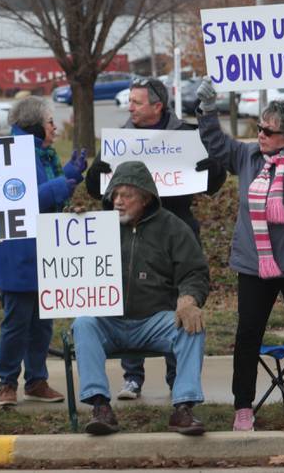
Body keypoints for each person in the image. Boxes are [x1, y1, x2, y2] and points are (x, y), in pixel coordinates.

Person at [195, 71, 284, 431]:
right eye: (259, 127)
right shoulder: (247, 157)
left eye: (268, 131)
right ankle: (243, 405)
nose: (259, 135)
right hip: (255, 262)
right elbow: (215, 143)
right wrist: (207, 106)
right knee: (248, 334)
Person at [84, 77, 227, 401]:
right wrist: (96, 173)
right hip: (129, 229)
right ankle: (132, 377)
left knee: (179, 301)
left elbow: (212, 184)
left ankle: (178, 379)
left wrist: (212, 168)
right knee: (130, 291)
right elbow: (98, 191)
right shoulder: (120, 139)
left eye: (136, 101)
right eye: (130, 101)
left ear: (157, 106)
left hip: (176, 227)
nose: (129, 106)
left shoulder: (186, 136)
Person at [73, 160, 209, 436]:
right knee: (83, 324)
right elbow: (68, 256)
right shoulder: (96, 226)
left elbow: (195, 272)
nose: (119, 202)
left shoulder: (173, 228)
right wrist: (71, 226)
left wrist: (189, 298)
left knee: (192, 326)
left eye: (127, 195)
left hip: (154, 320)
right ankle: (100, 407)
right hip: (108, 321)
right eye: (115, 195)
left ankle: (183, 408)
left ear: (146, 198)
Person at [0, 96, 85, 407]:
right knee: (16, 322)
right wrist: (61, 185)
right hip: (17, 254)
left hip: (44, 250)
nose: (54, 128)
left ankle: (36, 380)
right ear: (34, 125)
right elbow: (16, 198)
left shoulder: (41, 153)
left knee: (42, 323)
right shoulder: (11, 154)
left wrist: (68, 174)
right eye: (50, 122)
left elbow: (42, 188)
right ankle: (7, 383)